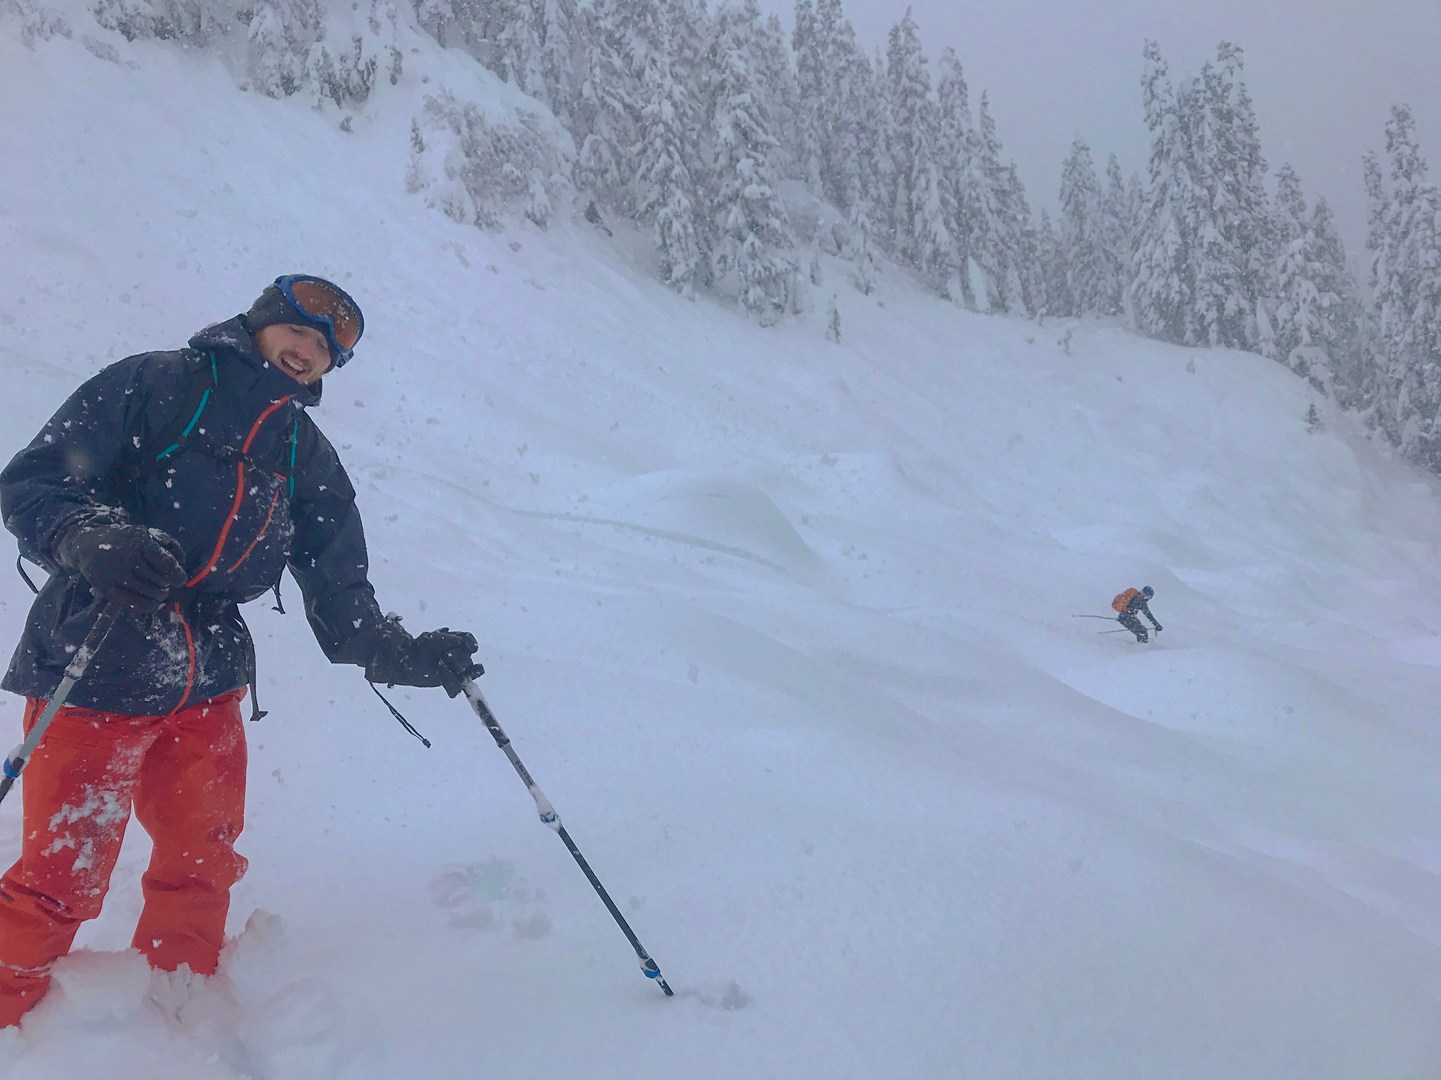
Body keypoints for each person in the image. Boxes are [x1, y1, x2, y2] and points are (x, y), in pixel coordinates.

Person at [0, 275, 482, 1027]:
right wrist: (88, 536)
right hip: (97, 654)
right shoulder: (158, 381)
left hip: (210, 674)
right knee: (63, 871)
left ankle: (175, 1003)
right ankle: (7, 1009)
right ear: (259, 323)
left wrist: (395, 652)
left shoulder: (300, 447)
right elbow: (34, 480)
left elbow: (336, 576)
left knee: (202, 858)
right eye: (299, 330)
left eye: (326, 348)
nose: (308, 350)